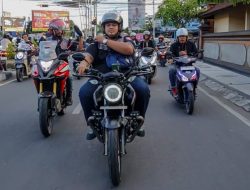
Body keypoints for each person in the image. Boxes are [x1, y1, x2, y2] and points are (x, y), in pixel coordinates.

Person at [77, 12, 150, 140]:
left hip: (126, 76)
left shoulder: (125, 39)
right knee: (84, 92)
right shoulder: (96, 43)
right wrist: (83, 63)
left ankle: (138, 120)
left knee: (143, 89)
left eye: (114, 25)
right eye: (108, 25)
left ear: (119, 27)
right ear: (104, 27)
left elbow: (129, 50)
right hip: (101, 77)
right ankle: (92, 123)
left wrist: (106, 41)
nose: (111, 27)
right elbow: (89, 56)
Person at [46, 18, 83, 106]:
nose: (60, 31)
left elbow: (79, 48)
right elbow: (40, 49)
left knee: (69, 77)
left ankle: (69, 97)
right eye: (58, 29)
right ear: (52, 30)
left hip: (62, 64)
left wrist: (81, 37)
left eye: (60, 29)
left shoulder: (67, 41)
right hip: (49, 64)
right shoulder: (46, 40)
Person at [169, 28, 200, 97]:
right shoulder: (174, 45)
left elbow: (196, 53)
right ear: (178, 37)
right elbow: (170, 53)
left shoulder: (191, 44)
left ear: (186, 37)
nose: (182, 38)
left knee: (197, 70)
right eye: (180, 37)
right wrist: (170, 58)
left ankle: (194, 87)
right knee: (172, 70)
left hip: (189, 65)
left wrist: (194, 55)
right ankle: (174, 87)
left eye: (183, 36)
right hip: (178, 65)